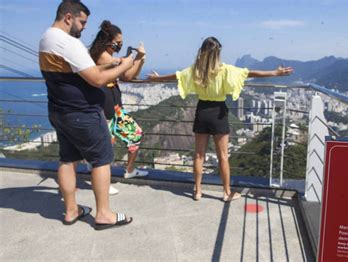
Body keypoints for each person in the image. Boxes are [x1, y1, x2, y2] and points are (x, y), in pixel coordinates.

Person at [148, 37, 293, 202]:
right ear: (218, 53)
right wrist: (275, 73)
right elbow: (248, 73)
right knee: (223, 156)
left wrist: (157, 78)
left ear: (202, 51)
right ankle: (226, 193)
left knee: (198, 155)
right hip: (219, 113)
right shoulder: (225, 70)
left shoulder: (196, 70)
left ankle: (197, 191)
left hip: (202, 111)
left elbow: (176, 76)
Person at [39, 0, 132, 230]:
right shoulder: (67, 43)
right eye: (82, 22)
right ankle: (104, 215)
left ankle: (71, 210)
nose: (84, 27)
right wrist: (126, 64)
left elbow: (83, 71)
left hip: (60, 111)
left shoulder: (46, 38)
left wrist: (113, 63)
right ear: (68, 17)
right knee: (101, 159)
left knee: (67, 159)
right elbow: (98, 79)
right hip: (83, 114)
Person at [89, 20, 149, 181]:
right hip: (103, 110)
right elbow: (125, 72)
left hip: (115, 110)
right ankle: (102, 181)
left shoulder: (110, 57)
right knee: (105, 146)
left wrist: (139, 59)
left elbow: (128, 75)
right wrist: (133, 60)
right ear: (107, 41)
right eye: (118, 42)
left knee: (135, 135)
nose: (120, 45)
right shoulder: (101, 56)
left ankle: (129, 169)